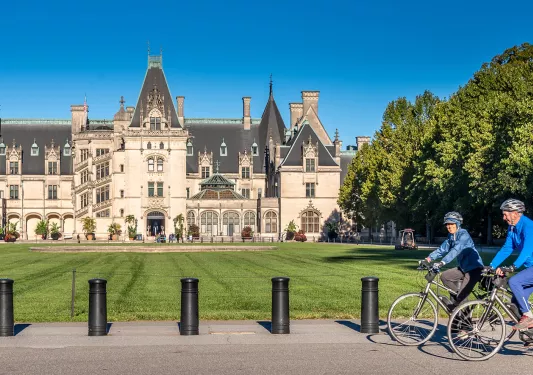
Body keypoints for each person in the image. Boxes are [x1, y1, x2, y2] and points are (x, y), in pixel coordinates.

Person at [420, 211, 484, 312]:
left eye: (451, 224)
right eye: (447, 225)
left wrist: (442, 262)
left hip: (473, 269)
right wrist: (428, 259)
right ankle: (459, 298)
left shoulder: (464, 235)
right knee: (445, 276)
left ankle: (467, 322)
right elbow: (442, 249)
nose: (449, 227)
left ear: (457, 224)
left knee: (460, 295)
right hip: (463, 268)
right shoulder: (451, 236)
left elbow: (456, 250)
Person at [488, 198, 533, 330]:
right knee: (516, 301)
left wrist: (513, 267)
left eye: (505, 214)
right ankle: (530, 335)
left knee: (514, 282)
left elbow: (527, 250)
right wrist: (492, 265)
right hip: (530, 267)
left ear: (515, 213)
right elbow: (507, 248)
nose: (503, 217)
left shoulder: (529, 226)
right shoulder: (512, 228)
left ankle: (528, 316)